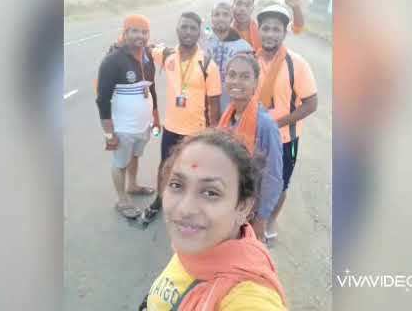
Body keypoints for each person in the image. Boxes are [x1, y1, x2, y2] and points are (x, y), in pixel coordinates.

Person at [140, 129, 287, 310]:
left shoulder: (248, 297)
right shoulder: (200, 246)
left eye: (211, 193)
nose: (185, 209)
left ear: (243, 207)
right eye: (176, 185)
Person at [140, 12, 222, 224]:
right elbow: (145, 48)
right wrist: (121, 44)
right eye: (183, 27)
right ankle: (160, 200)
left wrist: (212, 137)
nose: (187, 32)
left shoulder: (208, 64)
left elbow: (214, 105)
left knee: (194, 172)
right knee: (165, 166)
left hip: (197, 131)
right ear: (177, 29)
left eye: (192, 28)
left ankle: (191, 208)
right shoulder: (167, 55)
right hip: (171, 127)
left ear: (198, 33)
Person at [255, 4, 318, 232]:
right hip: (254, 137)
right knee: (253, 179)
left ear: (284, 32)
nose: (270, 34)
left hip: (285, 140)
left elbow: (312, 103)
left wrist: (276, 124)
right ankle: (253, 220)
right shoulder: (252, 59)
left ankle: (270, 223)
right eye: (266, 28)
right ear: (258, 30)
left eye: (276, 29)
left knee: (279, 183)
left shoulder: (297, 64)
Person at [95, 14, 161, 219]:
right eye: (134, 31)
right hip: (123, 127)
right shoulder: (112, 61)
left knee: (134, 156)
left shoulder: (148, 56)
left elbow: (152, 88)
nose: (140, 36)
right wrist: (109, 134)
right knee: (120, 162)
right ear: (125, 33)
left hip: (143, 125)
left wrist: (156, 118)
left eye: (144, 32)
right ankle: (122, 200)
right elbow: (102, 100)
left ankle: (132, 186)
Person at [218, 53, 283, 242]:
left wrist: (261, 218)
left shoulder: (265, 125)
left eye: (245, 77)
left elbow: (273, 177)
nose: (237, 81)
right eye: (232, 75)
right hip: (226, 201)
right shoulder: (229, 114)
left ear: (255, 83)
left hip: (248, 210)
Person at [203, 1, 253, 111]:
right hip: (203, 106)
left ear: (231, 19)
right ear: (211, 18)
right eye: (217, 15)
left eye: (225, 15)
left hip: (232, 107)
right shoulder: (201, 44)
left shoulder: (244, 47)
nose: (221, 18)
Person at [232, 0, 305, 52]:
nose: (242, 9)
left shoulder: (263, 28)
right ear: (232, 6)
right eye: (239, 3)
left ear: (253, 8)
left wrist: (296, 7)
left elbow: (297, 28)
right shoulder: (225, 30)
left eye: (248, 5)